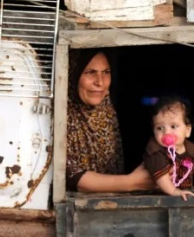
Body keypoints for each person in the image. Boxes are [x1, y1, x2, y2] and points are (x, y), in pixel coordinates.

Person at [65, 49, 155, 192]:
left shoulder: (107, 111)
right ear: (72, 75)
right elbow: (66, 173)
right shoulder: (56, 115)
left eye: (106, 72)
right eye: (90, 72)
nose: (100, 82)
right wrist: (131, 183)